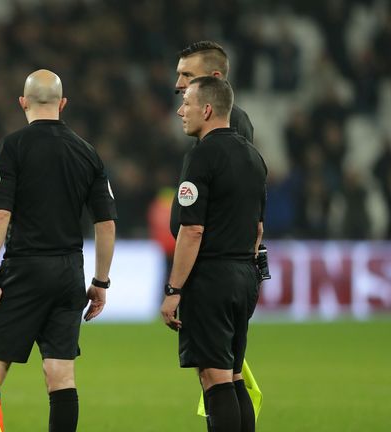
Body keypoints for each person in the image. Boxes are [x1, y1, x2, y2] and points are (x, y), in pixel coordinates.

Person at [0, 69, 116, 432]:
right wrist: (100, 281)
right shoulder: (87, 152)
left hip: (25, 269)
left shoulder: (12, 146)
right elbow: (106, 223)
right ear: (62, 103)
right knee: (60, 373)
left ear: (22, 102)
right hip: (70, 271)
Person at [160, 76, 267, 432]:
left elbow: (191, 229)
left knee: (214, 379)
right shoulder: (254, 156)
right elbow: (258, 230)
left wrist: (174, 290)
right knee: (234, 377)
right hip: (245, 277)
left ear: (207, 109)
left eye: (186, 103)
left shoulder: (201, 156)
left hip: (212, 280)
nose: (180, 110)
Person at [175, 41, 254, 143]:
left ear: (215, 78)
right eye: (179, 75)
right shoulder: (200, 118)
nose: (178, 84)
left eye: (188, 75)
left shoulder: (233, 122)